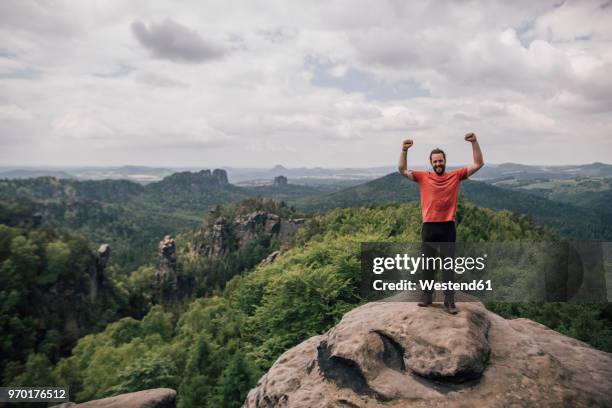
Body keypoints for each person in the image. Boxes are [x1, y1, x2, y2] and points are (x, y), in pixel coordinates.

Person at [397, 132, 484, 314]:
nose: (438, 164)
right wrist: (404, 150)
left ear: (445, 161)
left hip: (447, 227)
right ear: (431, 163)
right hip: (429, 227)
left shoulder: (455, 176)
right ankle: (427, 296)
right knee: (428, 265)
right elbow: (402, 170)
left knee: (448, 267)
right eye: (435, 161)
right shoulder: (423, 177)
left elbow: (478, 164)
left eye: (440, 161)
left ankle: (449, 301)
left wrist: (474, 142)